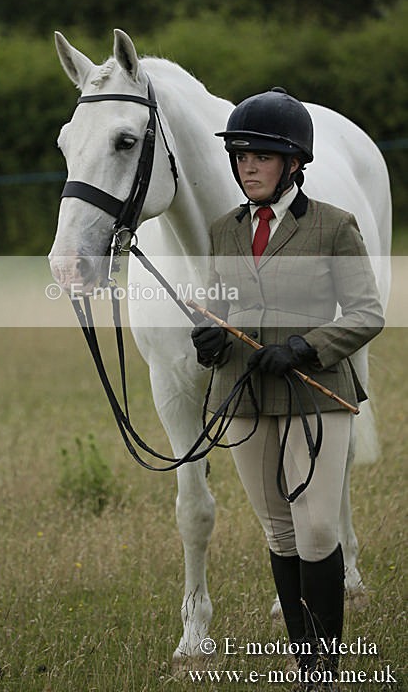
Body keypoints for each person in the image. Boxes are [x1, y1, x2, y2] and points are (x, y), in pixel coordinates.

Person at [191, 88, 384, 691]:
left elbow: (366, 313)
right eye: (241, 155)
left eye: (262, 156)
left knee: (318, 529)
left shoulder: (333, 225)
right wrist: (209, 335)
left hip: (315, 390)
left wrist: (304, 347)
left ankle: (326, 666)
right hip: (246, 396)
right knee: (278, 533)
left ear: (294, 162)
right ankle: (309, 670)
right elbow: (220, 302)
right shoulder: (224, 230)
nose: (248, 165)